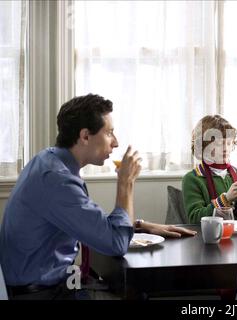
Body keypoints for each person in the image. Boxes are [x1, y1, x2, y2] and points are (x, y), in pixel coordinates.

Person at [0, 94, 196, 300]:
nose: (116, 142)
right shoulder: (58, 180)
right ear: (85, 136)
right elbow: (116, 244)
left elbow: (86, 223)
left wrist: (137, 225)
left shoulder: (48, 161)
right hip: (45, 294)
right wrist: (125, 183)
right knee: (140, 295)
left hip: (54, 285)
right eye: (109, 133)